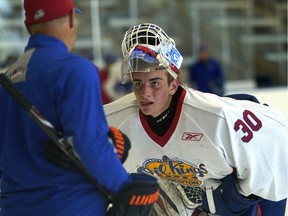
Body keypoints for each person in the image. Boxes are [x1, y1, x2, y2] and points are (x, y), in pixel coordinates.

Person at [104, 23, 288, 215]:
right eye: (138, 83)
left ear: (173, 85)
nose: (145, 93)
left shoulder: (216, 117)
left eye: (155, 83)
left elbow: (276, 145)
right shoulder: (113, 120)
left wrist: (234, 197)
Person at [0, 1, 158, 215]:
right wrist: (125, 187)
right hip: (72, 206)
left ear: (28, 26)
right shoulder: (75, 69)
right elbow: (89, 144)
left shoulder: (8, 80)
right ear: (72, 18)